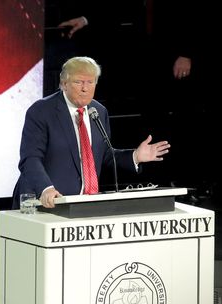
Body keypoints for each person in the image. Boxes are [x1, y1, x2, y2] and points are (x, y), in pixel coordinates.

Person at [12, 56, 170, 209]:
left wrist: (135, 156)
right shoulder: (41, 110)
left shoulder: (98, 111)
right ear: (64, 83)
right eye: (78, 82)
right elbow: (30, 159)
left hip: (81, 205)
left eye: (90, 82)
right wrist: (46, 189)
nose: (85, 88)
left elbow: (104, 155)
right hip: (43, 202)